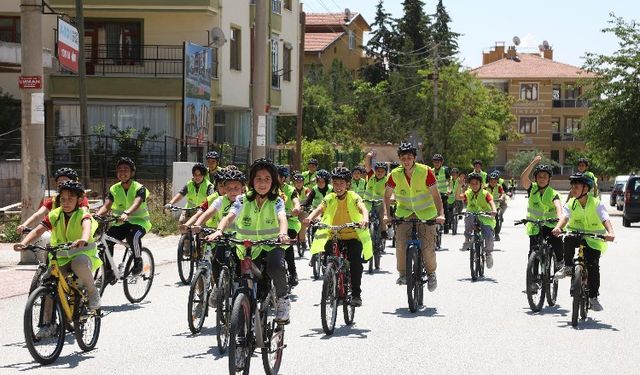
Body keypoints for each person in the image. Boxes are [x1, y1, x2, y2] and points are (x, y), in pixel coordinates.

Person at [15, 180, 102, 339]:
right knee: (49, 283)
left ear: (78, 200)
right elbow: (38, 230)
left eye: (70, 198)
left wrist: (82, 239)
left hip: (81, 254)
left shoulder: (83, 213)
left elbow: (87, 227)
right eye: (63, 199)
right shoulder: (54, 215)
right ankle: (48, 324)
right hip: (61, 258)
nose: (66, 202)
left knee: (79, 263)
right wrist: (23, 243)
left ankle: (92, 291)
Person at [207, 158, 291, 323]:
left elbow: (282, 218)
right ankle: (247, 317)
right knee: (247, 283)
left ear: (273, 181)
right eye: (258, 179)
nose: (262, 183)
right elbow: (229, 217)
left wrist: (283, 234)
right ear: (252, 181)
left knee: (275, 267)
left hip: (273, 244)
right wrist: (219, 231)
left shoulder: (277, 201)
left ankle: (283, 300)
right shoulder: (242, 200)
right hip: (249, 247)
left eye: (267, 179)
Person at [305, 167, 371, 306]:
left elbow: (362, 208)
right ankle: (331, 283)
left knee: (355, 264)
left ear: (348, 184)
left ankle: (356, 294)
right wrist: (309, 218)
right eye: (335, 183)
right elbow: (319, 209)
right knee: (327, 259)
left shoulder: (353, 196)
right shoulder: (329, 197)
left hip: (352, 235)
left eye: (341, 183)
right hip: (334, 234)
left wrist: (364, 219)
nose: (338, 186)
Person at [382, 142, 445, 290]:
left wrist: (440, 214)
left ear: (414, 158)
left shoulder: (426, 171)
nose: (406, 160)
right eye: (403, 157)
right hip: (404, 214)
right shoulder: (395, 174)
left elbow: (436, 196)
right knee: (401, 245)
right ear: (399, 159)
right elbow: (386, 196)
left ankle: (431, 273)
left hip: (426, 214)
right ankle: (403, 274)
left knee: (428, 247)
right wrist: (386, 214)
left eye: (409, 157)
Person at [552, 172, 614, 311]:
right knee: (567, 238)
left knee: (593, 267)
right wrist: (558, 227)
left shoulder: (596, 203)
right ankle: (568, 267)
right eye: (572, 186)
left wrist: (610, 232)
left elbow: (605, 219)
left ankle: (593, 297)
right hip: (576, 235)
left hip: (593, 240)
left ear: (585, 189)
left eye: (576, 186)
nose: (573, 189)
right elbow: (565, 217)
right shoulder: (571, 203)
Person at [187, 169, 245, 306]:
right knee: (216, 262)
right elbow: (208, 213)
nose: (233, 191)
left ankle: (238, 295)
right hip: (223, 237)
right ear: (223, 188)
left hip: (240, 239)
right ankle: (218, 287)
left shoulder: (245, 200)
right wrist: (197, 224)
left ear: (243, 188)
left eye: (236, 188)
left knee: (239, 268)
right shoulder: (220, 200)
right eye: (229, 188)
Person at [96, 157, 152, 278]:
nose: (122, 173)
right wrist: (96, 215)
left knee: (133, 236)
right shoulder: (114, 189)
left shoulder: (139, 188)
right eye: (120, 170)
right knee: (107, 240)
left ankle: (138, 261)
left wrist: (127, 213)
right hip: (120, 223)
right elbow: (107, 205)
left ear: (132, 173)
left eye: (126, 170)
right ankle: (108, 271)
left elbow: (137, 202)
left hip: (140, 223)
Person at [519, 156, 564, 268]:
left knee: (557, 242)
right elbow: (523, 178)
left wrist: (559, 223)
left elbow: (559, 207)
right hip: (535, 225)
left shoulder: (553, 193)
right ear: (535, 178)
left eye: (545, 176)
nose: (542, 179)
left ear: (549, 179)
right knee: (532, 253)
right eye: (539, 176)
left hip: (551, 225)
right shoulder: (532, 188)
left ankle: (559, 261)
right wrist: (533, 163)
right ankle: (533, 280)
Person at [17, 167, 88, 236]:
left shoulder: (80, 199)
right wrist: (24, 225)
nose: (62, 184)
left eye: (65, 181)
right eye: (59, 182)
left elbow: (84, 214)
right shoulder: (52, 200)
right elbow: (38, 214)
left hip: (76, 235)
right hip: (56, 236)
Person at [455, 172, 497, 267]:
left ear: (481, 184)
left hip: (485, 217)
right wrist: (459, 185)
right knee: (468, 218)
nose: (474, 186)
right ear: (469, 185)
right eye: (472, 184)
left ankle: (488, 254)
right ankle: (467, 240)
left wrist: (493, 211)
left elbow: (491, 202)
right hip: (472, 215)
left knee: (488, 235)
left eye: (476, 183)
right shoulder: (468, 193)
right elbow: (458, 197)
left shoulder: (485, 193)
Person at [277, 165, 302, 287]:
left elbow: (296, 201)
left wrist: (296, 208)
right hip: (272, 223)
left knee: (287, 245)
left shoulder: (291, 190)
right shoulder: (270, 189)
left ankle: (293, 272)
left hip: (291, 222)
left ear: (283, 178)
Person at [364, 151, 389, 238]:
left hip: (380, 203)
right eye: (378, 171)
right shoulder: (371, 175)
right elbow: (367, 166)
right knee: (363, 218)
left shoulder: (387, 181)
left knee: (382, 217)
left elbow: (391, 192)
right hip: (368, 203)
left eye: (382, 171)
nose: (379, 173)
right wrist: (368, 156)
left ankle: (383, 231)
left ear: (385, 172)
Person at [432, 154, 452, 233]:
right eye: (435, 162)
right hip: (434, 194)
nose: (437, 163)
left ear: (441, 162)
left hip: (443, 193)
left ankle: (446, 225)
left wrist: (449, 190)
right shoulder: (431, 170)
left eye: (438, 162)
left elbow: (449, 181)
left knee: (444, 208)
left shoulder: (445, 170)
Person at [486, 171, 507, 241]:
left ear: (497, 181)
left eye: (495, 180)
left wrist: (501, 198)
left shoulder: (499, 187)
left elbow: (503, 193)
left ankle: (497, 234)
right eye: (491, 180)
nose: (493, 182)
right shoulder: (485, 187)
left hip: (495, 206)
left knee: (497, 219)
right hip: (486, 206)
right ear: (489, 180)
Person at [292, 172, 310, 251]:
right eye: (296, 182)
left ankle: (303, 241)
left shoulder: (306, 190)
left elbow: (309, 197)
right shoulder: (291, 190)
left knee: (303, 224)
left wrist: (305, 206)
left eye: (300, 182)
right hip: (293, 211)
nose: (298, 184)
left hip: (303, 210)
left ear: (303, 182)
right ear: (294, 183)